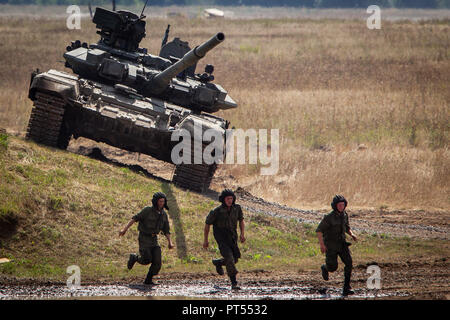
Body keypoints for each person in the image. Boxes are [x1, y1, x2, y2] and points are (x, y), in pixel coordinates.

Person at [119, 192, 174, 285]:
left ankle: (148, 280)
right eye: (160, 201)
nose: (162, 204)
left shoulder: (163, 214)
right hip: (144, 238)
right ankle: (134, 257)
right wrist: (124, 229)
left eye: (163, 202)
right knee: (146, 259)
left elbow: (166, 230)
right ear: (155, 202)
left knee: (157, 262)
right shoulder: (147, 210)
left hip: (154, 240)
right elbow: (135, 218)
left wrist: (170, 242)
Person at [203, 189, 245, 290]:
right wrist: (205, 240)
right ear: (223, 199)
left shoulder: (237, 208)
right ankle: (234, 282)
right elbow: (207, 225)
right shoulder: (216, 211)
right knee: (230, 259)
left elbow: (241, 221)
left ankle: (218, 263)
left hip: (232, 237)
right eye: (227, 199)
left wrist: (242, 234)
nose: (230, 201)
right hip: (221, 237)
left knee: (234, 259)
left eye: (231, 198)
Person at [316, 195, 358, 296]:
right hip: (331, 246)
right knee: (332, 267)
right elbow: (319, 230)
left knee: (349, 263)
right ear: (335, 206)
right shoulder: (329, 217)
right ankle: (325, 268)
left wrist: (352, 234)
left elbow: (347, 227)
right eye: (339, 205)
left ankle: (346, 287)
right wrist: (322, 245)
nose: (341, 207)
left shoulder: (345, 215)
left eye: (343, 205)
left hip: (342, 244)